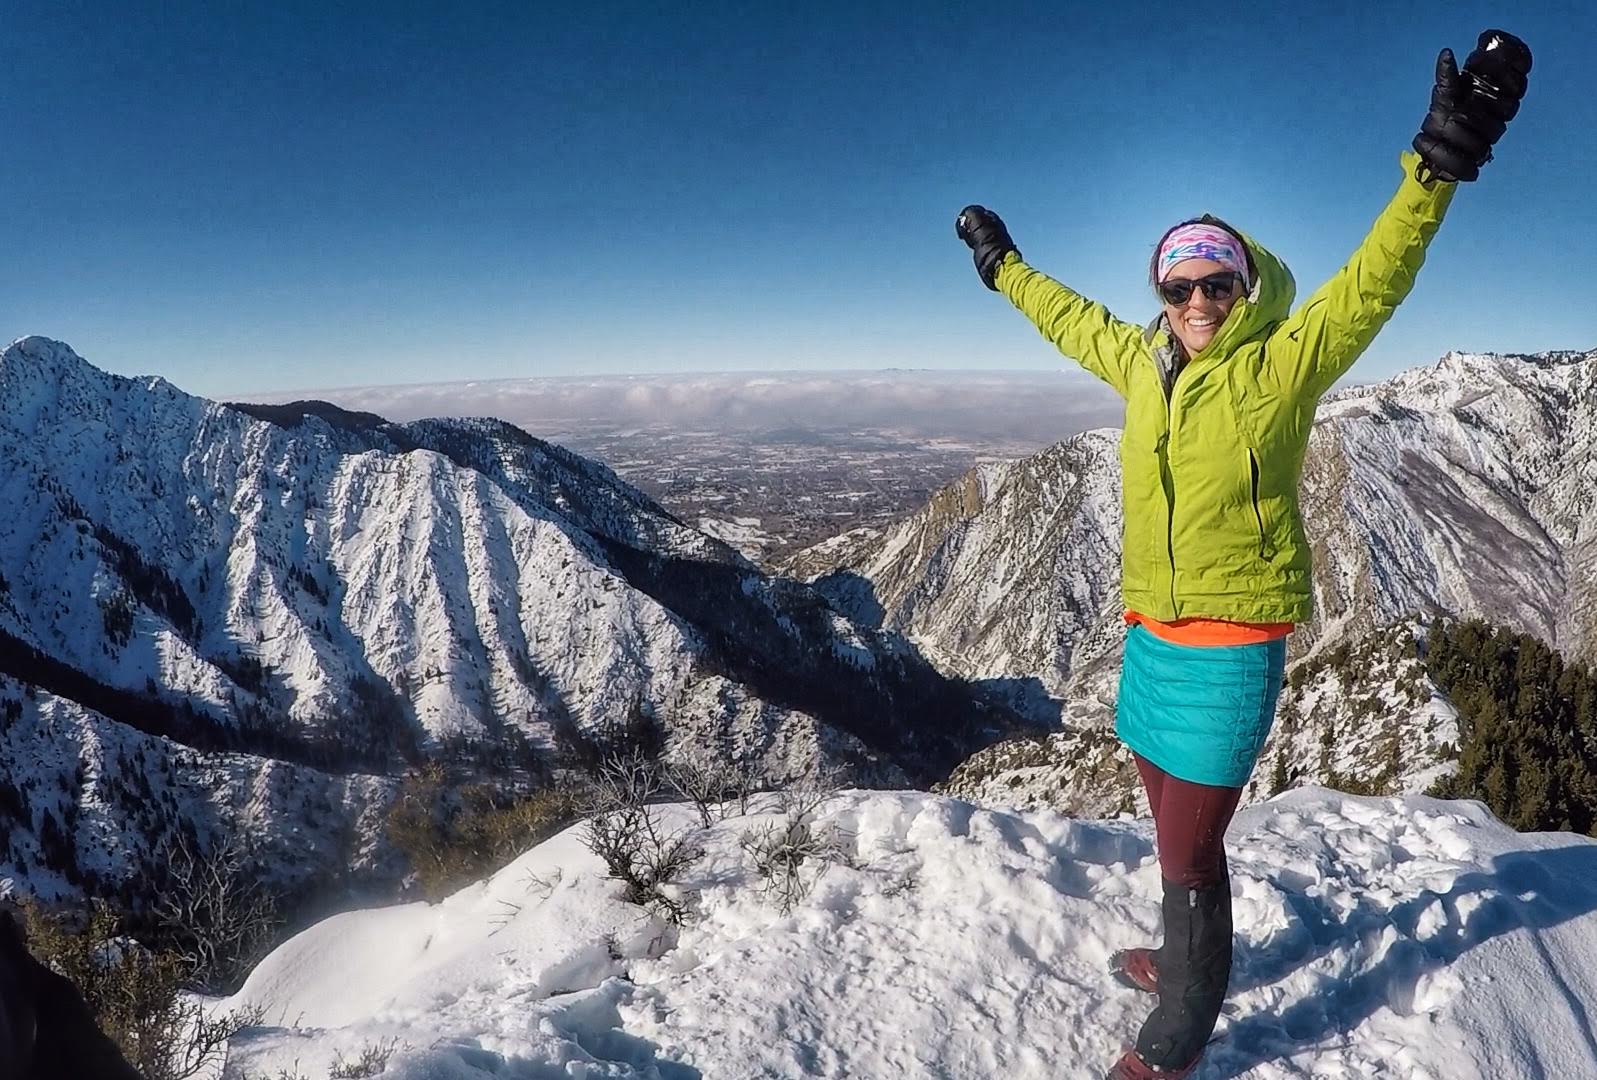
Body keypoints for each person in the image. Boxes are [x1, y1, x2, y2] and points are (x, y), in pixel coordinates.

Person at [955, 29, 1531, 1080]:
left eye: (1216, 284)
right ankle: (1185, 959)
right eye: (1178, 288)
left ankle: (1185, 1018)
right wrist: (1004, 271)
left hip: (1230, 649)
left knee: (1185, 848)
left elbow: (1373, 280)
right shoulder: (1141, 364)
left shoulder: (1282, 365)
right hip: (1148, 640)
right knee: (1170, 835)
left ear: (1246, 284)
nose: (1197, 306)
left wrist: (1437, 164)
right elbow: (1070, 317)